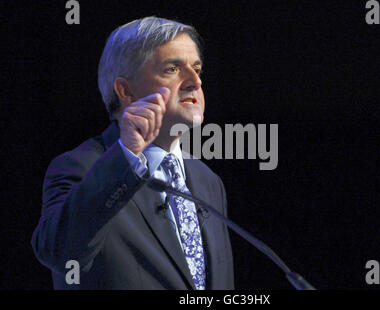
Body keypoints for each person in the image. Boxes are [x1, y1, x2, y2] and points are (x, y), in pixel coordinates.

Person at [31, 16, 234, 290]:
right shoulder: (79, 166)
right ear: (126, 91)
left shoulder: (208, 180)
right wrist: (126, 156)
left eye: (197, 68)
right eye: (172, 69)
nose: (194, 81)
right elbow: (59, 253)